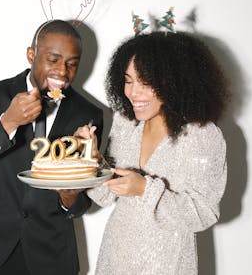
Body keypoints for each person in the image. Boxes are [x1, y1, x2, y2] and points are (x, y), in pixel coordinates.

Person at [0, 19, 104, 275]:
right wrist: (7, 122)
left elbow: (80, 205)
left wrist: (70, 196)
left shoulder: (88, 114)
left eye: (71, 64)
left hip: (51, 255)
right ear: (31, 55)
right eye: (53, 60)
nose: (63, 72)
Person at [76, 31, 229, 274]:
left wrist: (145, 190)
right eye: (128, 80)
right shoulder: (127, 123)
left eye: (145, 82)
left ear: (175, 81)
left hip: (167, 263)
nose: (133, 93)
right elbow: (104, 196)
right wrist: (91, 157)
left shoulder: (203, 135)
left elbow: (203, 213)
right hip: (116, 257)